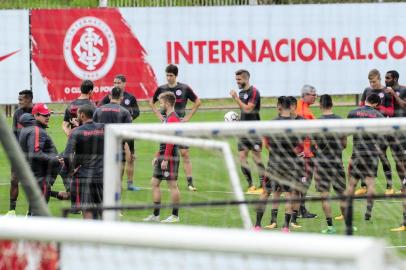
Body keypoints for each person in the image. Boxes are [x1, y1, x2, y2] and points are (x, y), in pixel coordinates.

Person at [149, 64, 201, 191]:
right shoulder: (161, 89)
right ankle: (171, 179)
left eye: (171, 75)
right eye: (167, 75)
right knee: (166, 148)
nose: (168, 78)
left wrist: (187, 117)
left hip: (180, 126)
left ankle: (190, 183)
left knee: (184, 153)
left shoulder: (184, 88)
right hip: (167, 126)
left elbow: (198, 102)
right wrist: (158, 115)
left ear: (176, 75)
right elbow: (151, 102)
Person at [255, 97, 303, 232]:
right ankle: (286, 227)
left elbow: (267, 145)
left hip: (274, 164)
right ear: (291, 107)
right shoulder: (296, 125)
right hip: (289, 165)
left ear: (279, 107)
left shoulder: (272, 123)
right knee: (288, 194)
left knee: (265, 193)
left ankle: (257, 225)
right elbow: (298, 147)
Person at [18, 104, 63, 216]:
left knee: (33, 210)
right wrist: (55, 160)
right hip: (40, 177)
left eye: (49, 114)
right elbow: (35, 153)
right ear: (36, 115)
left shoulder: (27, 129)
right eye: (44, 115)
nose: (48, 117)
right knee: (39, 212)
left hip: (33, 174)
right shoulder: (37, 130)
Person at [143, 92, 181, 223]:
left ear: (168, 103)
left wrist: (165, 159)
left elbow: (170, 141)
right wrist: (157, 155)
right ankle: (156, 215)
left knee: (172, 185)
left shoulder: (173, 119)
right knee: (154, 183)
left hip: (170, 155)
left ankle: (175, 216)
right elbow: (163, 141)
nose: (160, 105)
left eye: (161, 103)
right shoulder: (167, 118)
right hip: (163, 154)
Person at [356, 69, 395, 195]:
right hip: (367, 131)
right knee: (364, 157)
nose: (372, 84)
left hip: (382, 131)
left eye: (374, 81)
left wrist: (377, 107)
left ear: (379, 79)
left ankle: (389, 187)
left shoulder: (386, 92)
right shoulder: (367, 91)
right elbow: (361, 106)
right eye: (370, 82)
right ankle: (364, 186)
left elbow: (390, 112)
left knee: (382, 156)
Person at [346, 93, 384, 221]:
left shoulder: (353, 113)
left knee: (352, 183)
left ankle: (347, 209)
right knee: (370, 183)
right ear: (376, 104)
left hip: (357, 152)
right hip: (372, 153)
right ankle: (368, 212)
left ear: (366, 100)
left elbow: (347, 132)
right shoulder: (379, 116)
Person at [63, 105, 105, 219]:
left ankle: (90, 235)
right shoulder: (104, 128)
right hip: (102, 174)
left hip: (84, 176)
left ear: (82, 115)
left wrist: (71, 170)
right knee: (104, 207)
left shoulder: (76, 132)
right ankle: (107, 234)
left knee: (87, 208)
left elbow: (67, 155)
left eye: (77, 114)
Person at [100, 74, 140, 191]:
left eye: (118, 83)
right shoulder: (108, 97)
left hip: (127, 131)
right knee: (118, 158)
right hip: (112, 133)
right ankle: (119, 183)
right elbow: (99, 109)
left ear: (124, 83)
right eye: (114, 83)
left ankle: (130, 183)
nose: (116, 85)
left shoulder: (130, 97)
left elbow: (137, 112)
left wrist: (131, 117)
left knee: (130, 157)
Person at [314, 94, 347, 233]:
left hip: (322, 164)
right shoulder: (340, 120)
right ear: (332, 105)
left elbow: (315, 145)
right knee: (342, 195)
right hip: (337, 163)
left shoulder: (317, 122)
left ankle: (330, 227)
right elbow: (344, 143)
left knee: (324, 196)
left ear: (320, 105)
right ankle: (348, 225)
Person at [60, 80, 96, 204]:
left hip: (73, 145)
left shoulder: (71, 105)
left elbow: (64, 125)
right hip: (87, 144)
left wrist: (70, 135)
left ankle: (73, 194)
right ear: (91, 91)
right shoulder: (92, 106)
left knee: (66, 168)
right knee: (82, 170)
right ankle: (78, 196)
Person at [230, 69, 265, 194]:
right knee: (242, 157)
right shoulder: (241, 93)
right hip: (243, 131)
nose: (237, 81)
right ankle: (250, 185)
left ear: (246, 79)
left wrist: (235, 98)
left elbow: (249, 109)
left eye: (239, 79)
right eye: (236, 79)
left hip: (254, 131)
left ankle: (264, 185)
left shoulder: (254, 92)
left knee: (256, 158)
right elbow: (244, 112)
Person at [94, 87, 133, 190]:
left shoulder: (98, 110)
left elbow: (93, 128)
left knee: (103, 177)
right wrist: (129, 150)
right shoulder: (125, 112)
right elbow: (128, 134)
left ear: (110, 96)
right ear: (122, 98)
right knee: (117, 181)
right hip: (117, 148)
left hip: (101, 148)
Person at [5, 90, 33, 216]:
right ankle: (12, 211)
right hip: (19, 154)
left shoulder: (37, 112)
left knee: (32, 182)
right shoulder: (17, 113)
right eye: (19, 99)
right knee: (14, 180)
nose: (19, 102)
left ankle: (31, 211)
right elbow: (14, 134)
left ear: (29, 99)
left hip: (33, 154)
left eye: (21, 100)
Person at [295, 85, 318, 218]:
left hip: (306, 151)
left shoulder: (302, 107)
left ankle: (298, 210)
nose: (315, 97)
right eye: (313, 94)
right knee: (304, 181)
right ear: (305, 95)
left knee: (304, 181)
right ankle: (300, 210)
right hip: (305, 153)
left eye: (316, 94)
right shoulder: (302, 110)